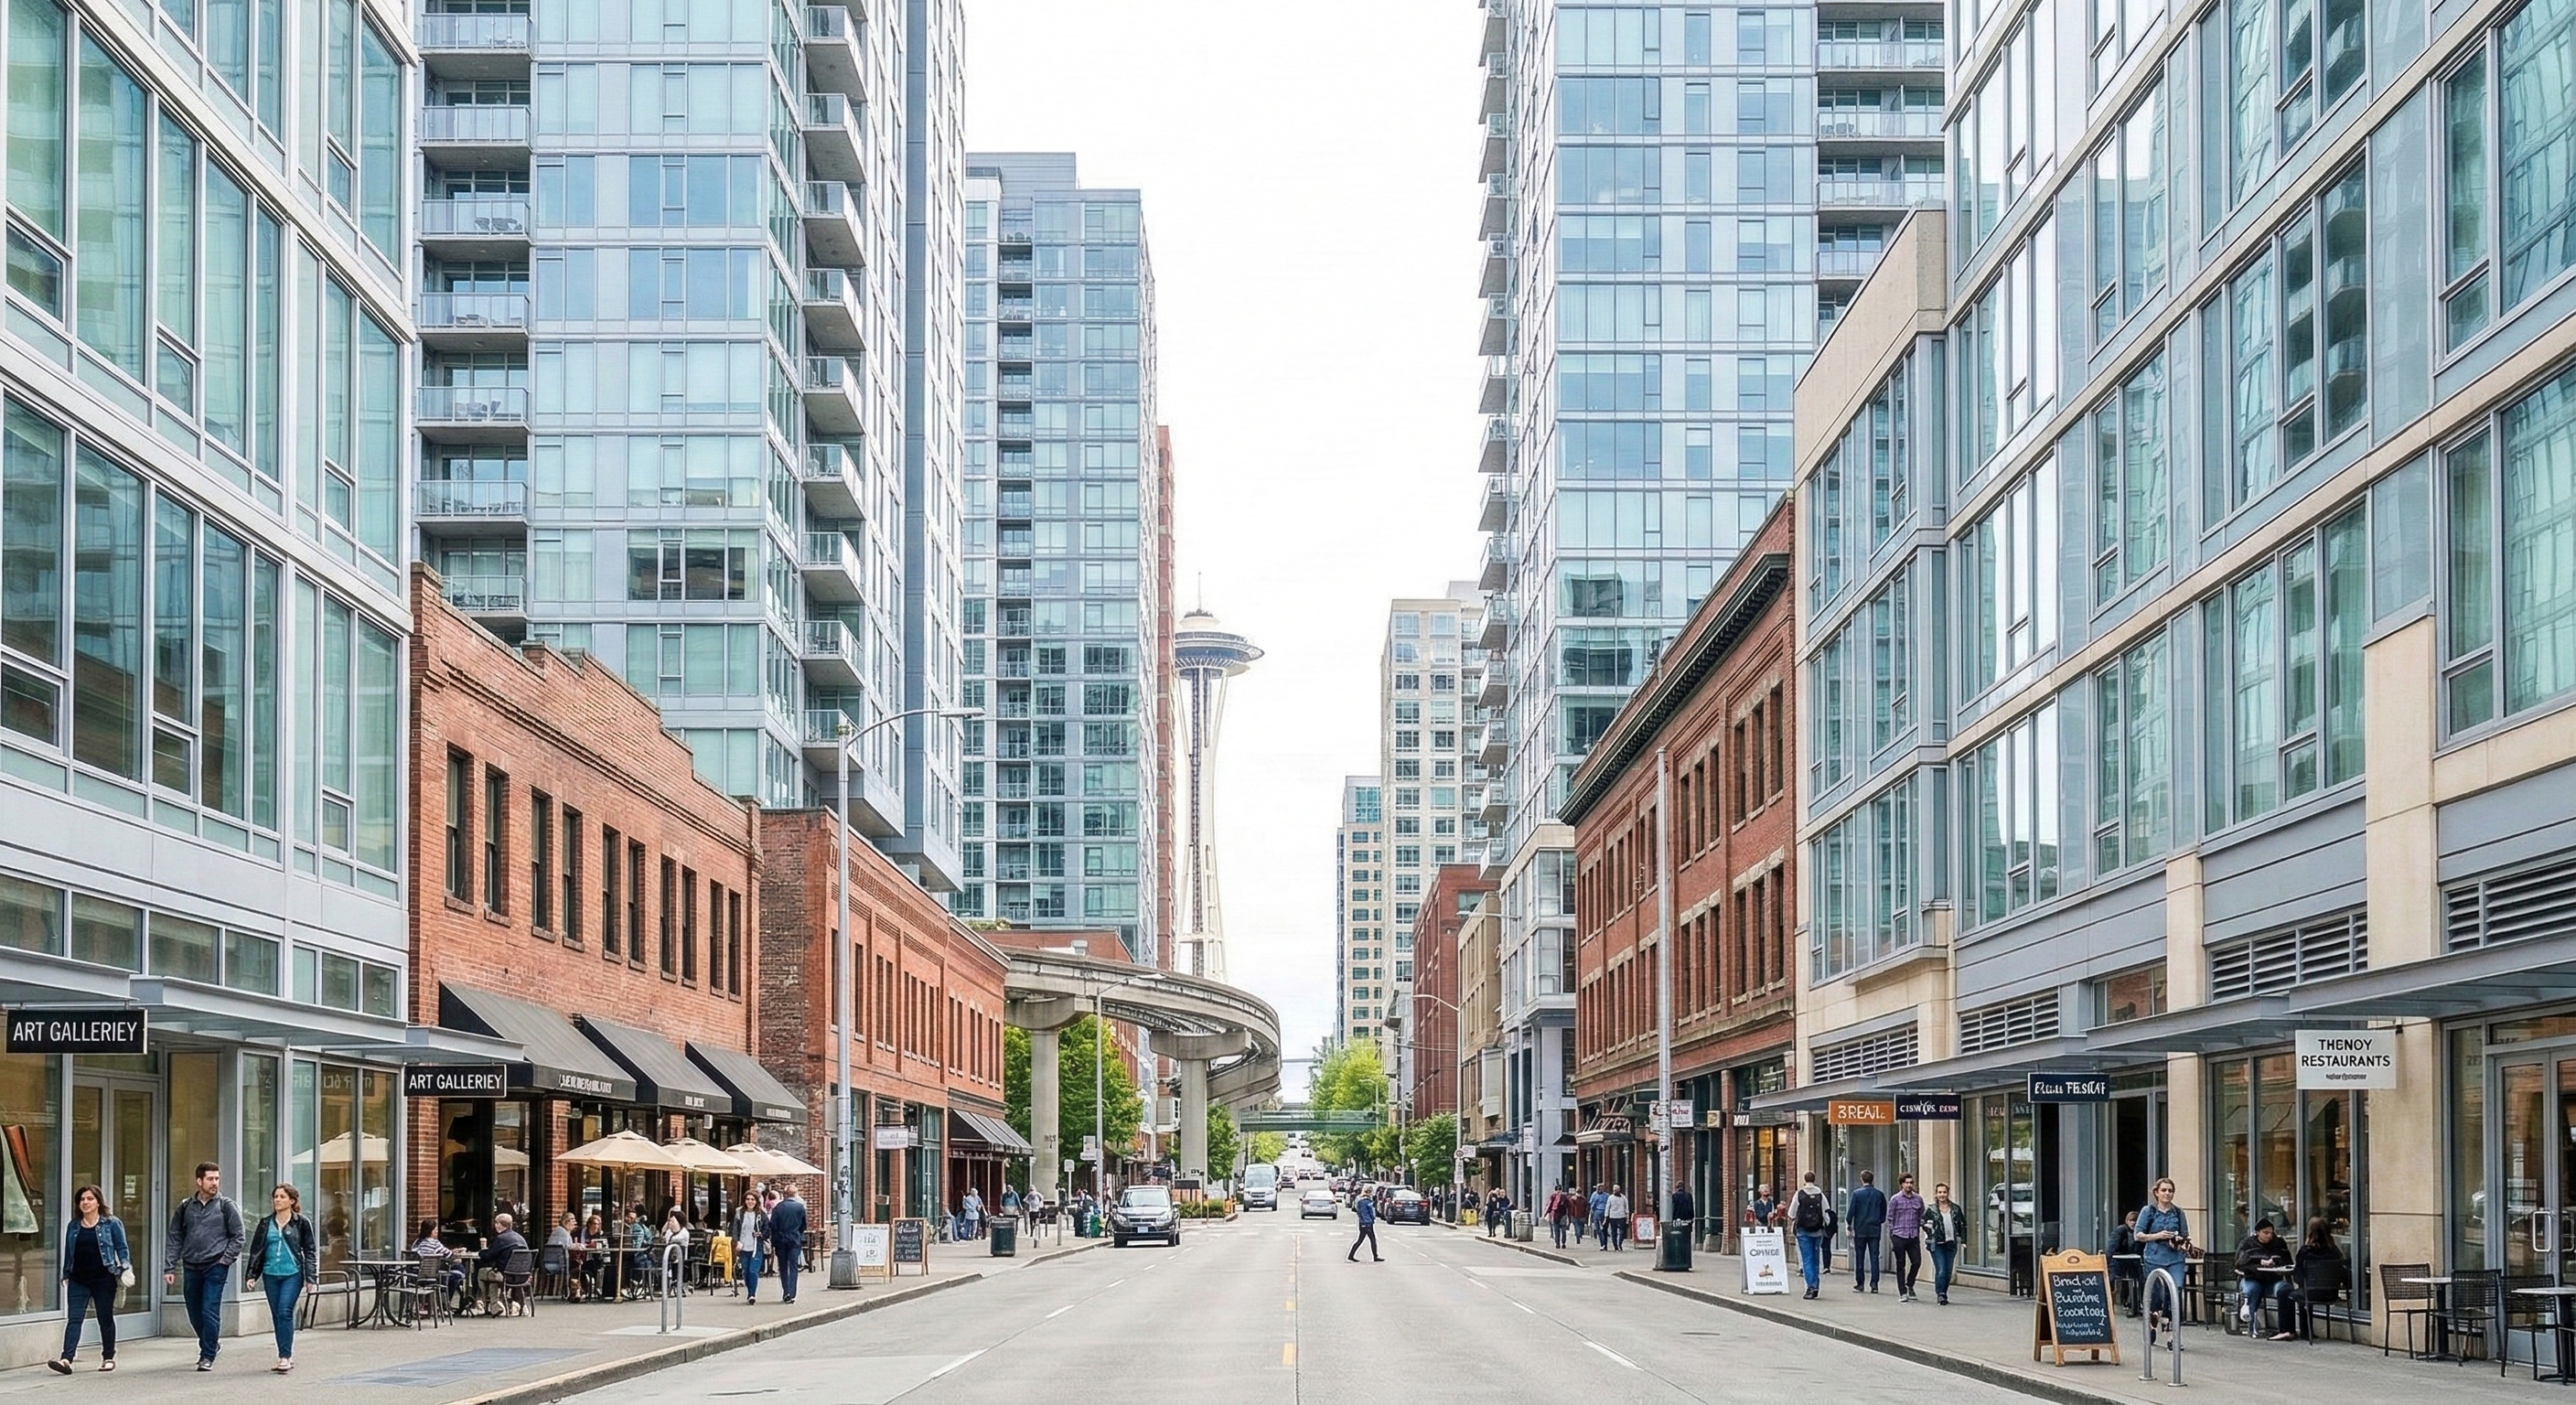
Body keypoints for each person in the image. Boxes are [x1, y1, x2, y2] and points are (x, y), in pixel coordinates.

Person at [162, 1162, 245, 1371]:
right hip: (191, 1265)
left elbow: (239, 1236)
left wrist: (225, 1260)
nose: (214, 1183)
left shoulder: (227, 1205)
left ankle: (206, 1355)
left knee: (209, 1309)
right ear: (199, 1181)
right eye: (210, 1179)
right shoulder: (185, 1206)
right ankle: (212, 1343)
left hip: (215, 1265)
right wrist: (169, 1266)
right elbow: (175, 1236)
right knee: (194, 1311)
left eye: (217, 1178)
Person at [52, 1185, 129, 1374]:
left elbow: (122, 1248)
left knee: (105, 1318)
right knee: (74, 1319)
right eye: (82, 1200)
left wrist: (126, 1268)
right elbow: (69, 1252)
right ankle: (66, 1359)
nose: (85, 1203)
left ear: (98, 1202)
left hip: (104, 1279)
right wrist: (66, 1273)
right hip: (78, 1279)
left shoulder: (111, 1223)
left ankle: (108, 1357)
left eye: (90, 1199)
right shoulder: (74, 1225)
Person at [242, 1185, 317, 1374]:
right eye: (275, 1196)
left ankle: (284, 1356)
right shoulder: (265, 1223)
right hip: (270, 1274)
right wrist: (251, 1275)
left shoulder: (301, 1222)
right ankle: (285, 1353)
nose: (277, 1200)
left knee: (284, 1311)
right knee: (277, 1315)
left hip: (292, 1274)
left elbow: (310, 1251)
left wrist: (311, 1278)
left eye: (282, 1197)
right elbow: (256, 1251)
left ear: (292, 1201)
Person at [2136, 1176, 2192, 1339]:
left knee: (2176, 1289)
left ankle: (2171, 1333)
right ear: (2157, 1193)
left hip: (2175, 1258)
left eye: (2170, 1191)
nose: (2167, 1194)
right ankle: (2153, 1322)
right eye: (2164, 1190)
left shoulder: (2178, 1212)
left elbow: (2185, 1236)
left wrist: (2179, 1242)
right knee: (2155, 1295)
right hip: (2154, 1257)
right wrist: (2157, 1236)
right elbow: (2138, 1235)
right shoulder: (2148, 1211)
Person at [2234, 1217, 2294, 1337]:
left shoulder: (2279, 1243)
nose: (2269, 1236)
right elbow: (2239, 1264)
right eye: (2266, 1233)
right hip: (2253, 1278)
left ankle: (2286, 1330)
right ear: (2257, 1232)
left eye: (2271, 1233)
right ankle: (2251, 1326)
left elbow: (2288, 1262)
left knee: (2285, 1289)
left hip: (2273, 1279)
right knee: (2252, 1290)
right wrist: (2259, 1264)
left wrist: (2276, 1263)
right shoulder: (2247, 1244)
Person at [2289, 1217, 2346, 1341]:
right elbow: (2343, 1273)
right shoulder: (2335, 1252)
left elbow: (2298, 1278)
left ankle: (2305, 1331)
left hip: (2311, 1294)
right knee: (2305, 1292)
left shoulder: (2305, 1252)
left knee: (2299, 1294)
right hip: (2332, 1294)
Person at [1789, 1172, 1832, 1299]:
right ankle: (1816, 1285)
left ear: (1805, 1180)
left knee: (1807, 1259)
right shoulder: (1820, 1194)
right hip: (1818, 1231)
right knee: (1815, 1258)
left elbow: (1791, 1213)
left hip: (1803, 1231)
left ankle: (1811, 1287)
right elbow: (1826, 1213)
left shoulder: (1799, 1194)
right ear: (1814, 1179)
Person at [477, 1213, 530, 1316]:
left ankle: (481, 1302)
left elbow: (488, 1256)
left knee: (481, 1273)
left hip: (505, 1275)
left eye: (496, 1223)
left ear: (499, 1224)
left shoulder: (500, 1239)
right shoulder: (520, 1238)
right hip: (522, 1275)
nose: (495, 1225)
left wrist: (481, 1251)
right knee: (492, 1280)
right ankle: (496, 1306)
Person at [1925, 1184, 1967, 1306]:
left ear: (1948, 1193)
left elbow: (1963, 1225)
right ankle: (1941, 1294)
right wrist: (1930, 1231)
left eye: (1944, 1192)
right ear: (1936, 1194)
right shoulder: (1931, 1209)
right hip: (1937, 1243)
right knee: (1941, 1269)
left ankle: (1944, 1291)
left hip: (1951, 1243)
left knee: (1948, 1271)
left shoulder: (1955, 1209)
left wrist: (1963, 1240)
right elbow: (1923, 1222)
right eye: (1939, 1192)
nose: (1942, 1195)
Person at [1886, 1174, 1926, 1303]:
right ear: (1902, 1184)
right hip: (1899, 1235)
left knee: (1916, 1262)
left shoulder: (1918, 1199)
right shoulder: (1895, 1199)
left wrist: (1922, 1226)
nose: (1909, 1185)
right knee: (1900, 1264)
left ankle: (1910, 1284)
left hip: (1913, 1235)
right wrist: (1892, 1235)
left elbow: (1921, 1216)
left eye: (1911, 1182)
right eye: (1906, 1183)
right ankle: (1902, 1292)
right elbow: (1890, 1218)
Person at [1847, 1170, 1887, 1293]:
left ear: (1862, 1179)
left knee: (1860, 1256)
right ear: (1872, 1179)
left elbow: (1851, 1211)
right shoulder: (1879, 1194)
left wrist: (1849, 1224)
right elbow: (1883, 1212)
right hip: (1874, 1229)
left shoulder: (1857, 1194)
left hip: (1860, 1229)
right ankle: (1874, 1284)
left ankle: (1860, 1283)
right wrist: (1879, 1221)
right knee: (1874, 1256)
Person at [767, 1186, 808, 1305]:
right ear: (795, 1194)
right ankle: (792, 1293)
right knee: (793, 1266)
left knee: (783, 1267)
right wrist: (797, 1233)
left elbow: (773, 1225)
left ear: (785, 1194)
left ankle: (786, 1292)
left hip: (780, 1240)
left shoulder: (778, 1207)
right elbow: (804, 1225)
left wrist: (777, 1236)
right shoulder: (800, 1207)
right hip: (794, 1239)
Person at [2108, 1209, 2143, 1314]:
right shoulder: (2121, 1230)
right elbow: (2112, 1247)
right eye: (2131, 1220)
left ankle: (2136, 1304)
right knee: (2112, 1278)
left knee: (2140, 1278)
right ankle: (2110, 1303)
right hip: (2118, 1260)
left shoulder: (2141, 1233)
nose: (2134, 1223)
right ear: (2127, 1221)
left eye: (2136, 1221)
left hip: (2134, 1261)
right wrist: (2107, 1261)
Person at [736, 1195, 768, 1303]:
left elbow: (768, 1231)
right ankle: (750, 1291)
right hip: (743, 1247)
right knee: (746, 1271)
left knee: (753, 1271)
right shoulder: (739, 1213)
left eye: (752, 1200)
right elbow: (734, 1229)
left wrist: (761, 1234)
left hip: (756, 1247)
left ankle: (752, 1294)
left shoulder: (761, 1214)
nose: (750, 1202)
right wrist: (736, 1241)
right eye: (748, 1199)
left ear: (756, 1201)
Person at [1347, 1188, 1381, 1262]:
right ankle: (1375, 1256)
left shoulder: (1360, 1202)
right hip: (1368, 1223)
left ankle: (1351, 1255)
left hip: (1362, 1223)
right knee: (1372, 1240)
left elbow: (1358, 1211)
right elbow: (1372, 1213)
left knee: (1360, 1240)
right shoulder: (1369, 1202)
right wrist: (1372, 1218)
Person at [1605, 1185, 1631, 1251]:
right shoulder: (1610, 1198)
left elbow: (1626, 1208)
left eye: (1616, 1190)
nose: (1615, 1191)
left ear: (1619, 1190)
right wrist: (1606, 1217)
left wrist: (1628, 1217)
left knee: (1622, 1231)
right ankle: (1615, 1246)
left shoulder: (1623, 1198)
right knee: (1613, 1232)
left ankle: (1619, 1243)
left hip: (1621, 1216)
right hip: (1612, 1216)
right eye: (1614, 1190)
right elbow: (1607, 1208)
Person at [1589, 1184, 1612, 1249]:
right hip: (1599, 1212)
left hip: (1602, 1212)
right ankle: (1603, 1244)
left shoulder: (1606, 1195)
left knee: (1602, 1229)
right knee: (1600, 1229)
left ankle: (1604, 1244)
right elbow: (1591, 1204)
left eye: (1601, 1187)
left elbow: (1591, 1204)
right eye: (1599, 1188)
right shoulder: (1596, 1195)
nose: (1600, 1189)